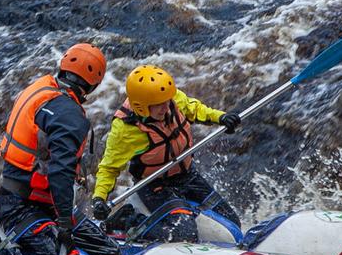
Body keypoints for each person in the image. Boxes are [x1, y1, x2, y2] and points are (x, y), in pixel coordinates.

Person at [0, 43, 113, 255]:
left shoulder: (43, 87)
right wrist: (65, 222)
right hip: (19, 208)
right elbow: (60, 172)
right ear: (94, 84)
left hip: (45, 204)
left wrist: (64, 219)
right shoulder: (69, 115)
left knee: (108, 253)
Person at [90, 64, 242, 240]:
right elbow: (109, 168)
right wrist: (99, 198)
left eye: (167, 101)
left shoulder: (170, 99)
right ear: (141, 106)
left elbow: (195, 109)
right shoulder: (125, 130)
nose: (166, 107)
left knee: (232, 223)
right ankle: (127, 220)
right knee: (184, 234)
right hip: (154, 186)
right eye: (159, 105)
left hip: (187, 176)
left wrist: (221, 117)